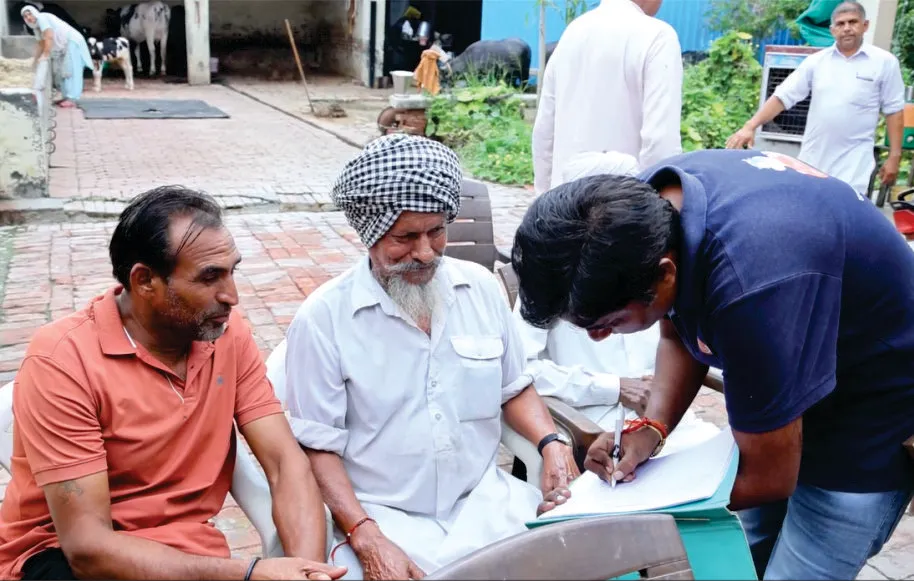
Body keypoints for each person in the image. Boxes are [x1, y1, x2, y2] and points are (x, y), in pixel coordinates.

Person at [512, 148, 914, 580]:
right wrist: (651, 428)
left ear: (665, 274)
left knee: (800, 569)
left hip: (871, 413)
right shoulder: (642, 215)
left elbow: (770, 478)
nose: (597, 337)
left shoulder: (751, 288)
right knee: (739, 556)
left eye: (607, 324)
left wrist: (618, 513)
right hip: (795, 368)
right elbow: (676, 329)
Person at [0, 186, 346, 581]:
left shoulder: (227, 336)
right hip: (64, 557)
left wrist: (308, 571)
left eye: (232, 271)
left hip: (188, 554)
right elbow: (87, 548)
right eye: (209, 277)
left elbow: (285, 464)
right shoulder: (62, 359)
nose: (231, 296)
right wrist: (250, 573)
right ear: (145, 280)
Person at [284, 134, 579, 580]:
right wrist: (364, 534)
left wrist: (551, 442)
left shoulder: (480, 288)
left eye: (437, 231)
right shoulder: (323, 319)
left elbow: (514, 388)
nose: (424, 253)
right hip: (382, 519)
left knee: (580, 558)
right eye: (405, 237)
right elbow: (316, 447)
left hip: (485, 503)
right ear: (370, 233)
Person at [513, 150, 718, 452]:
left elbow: (678, 341)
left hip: (669, 421)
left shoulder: (657, 268)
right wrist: (614, 387)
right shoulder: (551, 285)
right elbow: (519, 371)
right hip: (591, 424)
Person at [726, 1, 905, 197]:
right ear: (832, 30)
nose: (847, 28)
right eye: (840, 24)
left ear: (865, 25)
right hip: (813, 160)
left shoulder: (884, 63)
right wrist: (750, 126)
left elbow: (894, 110)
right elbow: (783, 96)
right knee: (808, 209)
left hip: (854, 165)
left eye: (853, 22)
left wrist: (894, 156)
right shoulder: (816, 62)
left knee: (844, 211)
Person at [531, 0, 683, 195]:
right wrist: (661, 205)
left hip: (564, 201)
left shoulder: (573, 33)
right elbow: (660, 144)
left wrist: (543, 198)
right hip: (622, 204)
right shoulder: (658, 37)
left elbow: (544, 133)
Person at [20, 5, 92, 108]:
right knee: (62, 71)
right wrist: (35, 60)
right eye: (25, 16)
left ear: (35, 12)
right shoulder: (35, 26)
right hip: (63, 46)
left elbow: (49, 36)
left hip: (72, 41)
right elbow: (41, 43)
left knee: (71, 70)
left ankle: (72, 98)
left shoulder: (42, 18)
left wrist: (45, 55)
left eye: (29, 14)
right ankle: (66, 97)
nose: (28, 17)